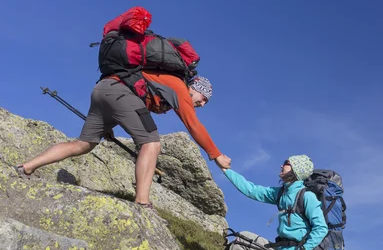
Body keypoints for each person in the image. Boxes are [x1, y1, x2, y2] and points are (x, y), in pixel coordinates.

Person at [14, 74, 230, 207]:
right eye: (203, 99)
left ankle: (27, 167)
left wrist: (110, 126)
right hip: (120, 95)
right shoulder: (180, 88)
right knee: (152, 144)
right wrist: (216, 154)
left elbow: (136, 102)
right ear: (195, 88)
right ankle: (142, 203)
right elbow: (193, 124)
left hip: (104, 90)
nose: (202, 104)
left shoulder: (162, 81)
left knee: (83, 144)